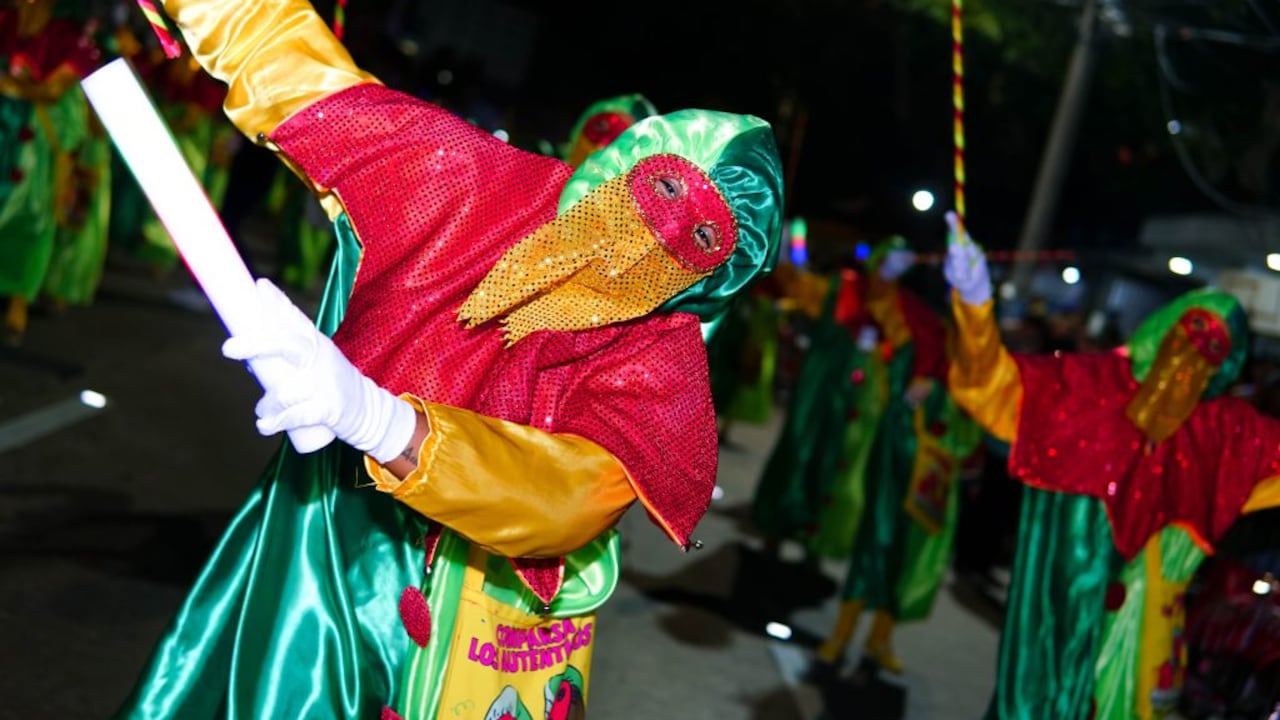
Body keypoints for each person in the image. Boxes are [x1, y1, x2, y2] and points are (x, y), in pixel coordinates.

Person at [112, 0, 782, 718]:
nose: (654, 234)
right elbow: (292, 66)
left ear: (716, 281)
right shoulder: (466, 180)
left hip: (481, 624)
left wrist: (379, 421)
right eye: (667, 189)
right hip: (327, 554)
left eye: (701, 237)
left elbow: (569, 494)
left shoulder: (657, 357)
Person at [943, 213, 1280, 719]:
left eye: (1214, 348)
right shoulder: (1088, 386)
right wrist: (974, 306)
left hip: (1140, 641)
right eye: (1192, 331)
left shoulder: (1224, 433)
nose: (1192, 357)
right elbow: (991, 386)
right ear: (1167, 328)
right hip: (1058, 621)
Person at [810, 242, 980, 673]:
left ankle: (878, 640)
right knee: (877, 540)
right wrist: (884, 268)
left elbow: (980, 413)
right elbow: (878, 297)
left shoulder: (975, 358)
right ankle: (841, 635)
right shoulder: (917, 325)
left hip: (935, 470)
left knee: (910, 556)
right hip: (895, 454)